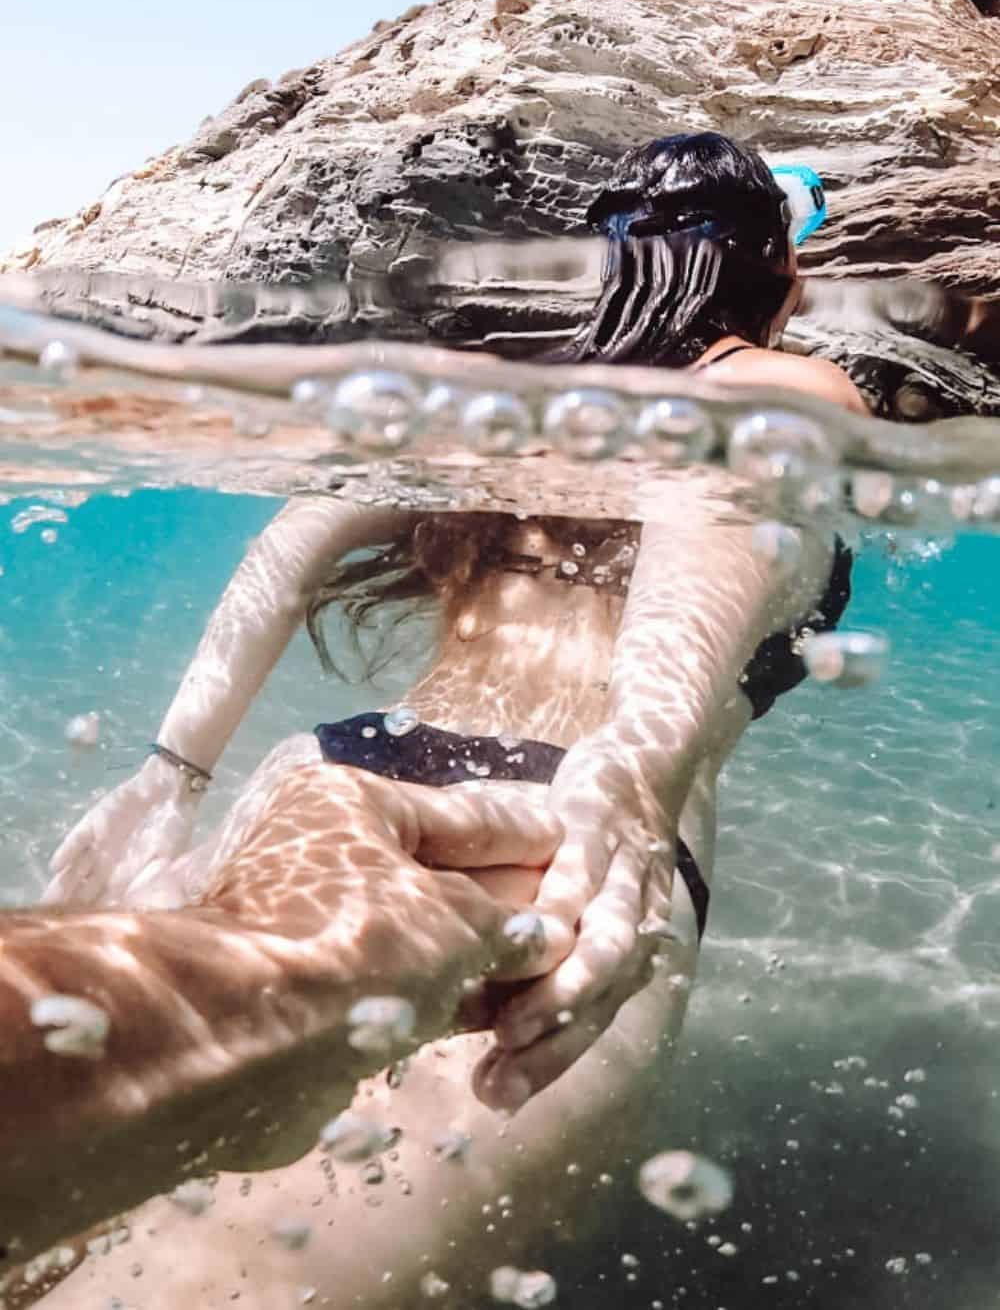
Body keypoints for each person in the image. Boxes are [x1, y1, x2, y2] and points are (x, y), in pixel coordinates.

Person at [27, 132, 869, 1307]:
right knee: (225, 1283)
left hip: (335, 771)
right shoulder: (778, 386)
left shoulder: (506, 400)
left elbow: (288, 552)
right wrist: (627, 779)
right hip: (552, 836)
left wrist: (173, 771)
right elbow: (714, 498)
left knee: (62, 1179)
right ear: (786, 281)